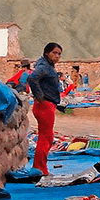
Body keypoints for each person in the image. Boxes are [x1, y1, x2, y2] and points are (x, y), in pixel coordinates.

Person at [28, 42, 63, 176]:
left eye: (59, 54)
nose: (57, 56)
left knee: (47, 137)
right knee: (45, 138)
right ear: (46, 53)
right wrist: (40, 96)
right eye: (54, 53)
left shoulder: (47, 65)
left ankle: (40, 167)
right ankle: (39, 168)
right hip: (44, 105)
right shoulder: (44, 66)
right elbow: (33, 78)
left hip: (46, 104)